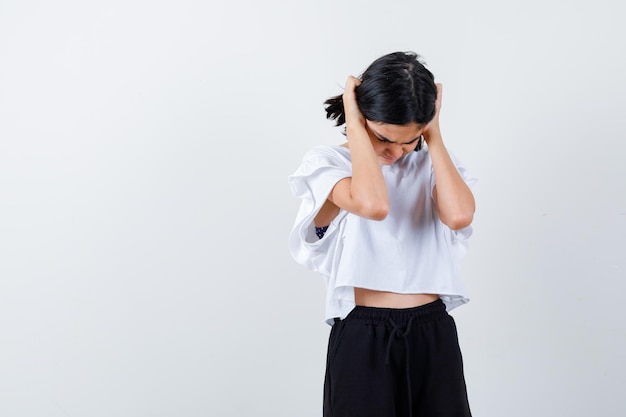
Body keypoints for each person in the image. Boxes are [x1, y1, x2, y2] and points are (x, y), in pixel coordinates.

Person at [288, 51, 476, 417]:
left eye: (410, 140)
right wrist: (357, 129)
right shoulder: (327, 164)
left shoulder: (430, 164)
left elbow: (458, 215)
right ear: (360, 115)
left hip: (432, 330)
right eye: (382, 139)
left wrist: (433, 138)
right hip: (363, 335)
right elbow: (373, 204)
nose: (396, 152)